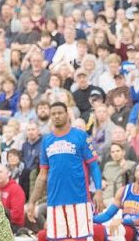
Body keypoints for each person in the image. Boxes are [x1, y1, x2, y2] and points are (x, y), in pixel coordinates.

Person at [27, 102, 105, 241]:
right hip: (55, 199)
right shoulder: (47, 140)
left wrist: (98, 190)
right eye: (53, 114)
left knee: (80, 238)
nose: (56, 116)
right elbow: (42, 175)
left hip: (79, 198)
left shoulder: (80, 136)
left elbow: (93, 166)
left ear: (67, 114)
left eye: (60, 113)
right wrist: (32, 202)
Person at [93, 162, 139, 241]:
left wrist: (121, 220)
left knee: (117, 230)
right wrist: (90, 219)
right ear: (135, 173)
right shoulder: (123, 190)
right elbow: (108, 214)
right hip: (123, 226)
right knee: (95, 230)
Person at [0, 163, 26, 231]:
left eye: (0, 172)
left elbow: (17, 214)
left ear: (8, 174)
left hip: (13, 226)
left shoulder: (16, 189)